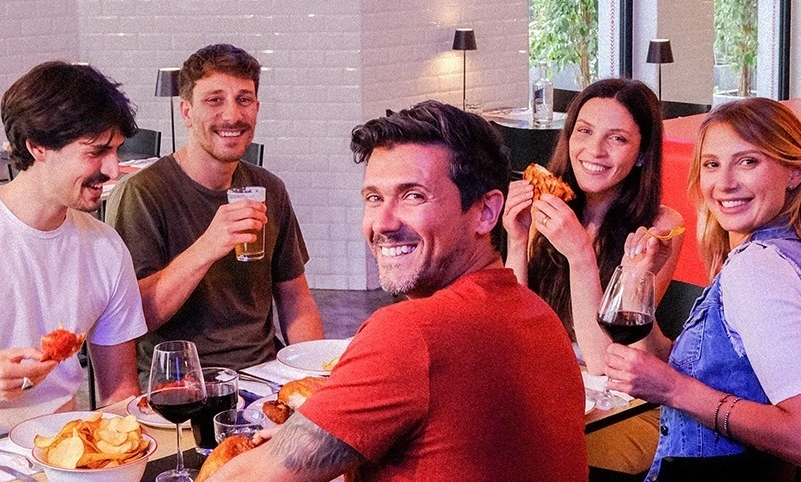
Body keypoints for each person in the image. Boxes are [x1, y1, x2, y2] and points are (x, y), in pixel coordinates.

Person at [207, 101, 588, 481]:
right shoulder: (539, 315)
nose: (383, 223)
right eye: (374, 198)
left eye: (413, 196)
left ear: (486, 212)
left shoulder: (410, 331)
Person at [604, 97, 801, 480]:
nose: (724, 183)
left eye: (748, 161)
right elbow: (710, 368)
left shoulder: (758, 268)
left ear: (793, 172)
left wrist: (674, 390)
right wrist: (639, 282)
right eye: (712, 164)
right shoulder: (779, 251)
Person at [105, 44, 323, 381]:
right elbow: (131, 319)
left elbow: (296, 298)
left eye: (244, 99)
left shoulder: (269, 187)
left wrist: (313, 375)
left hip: (265, 374)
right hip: (182, 383)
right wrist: (208, 246)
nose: (233, 116)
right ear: (187, 111)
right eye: (214, 100)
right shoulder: (142, 194)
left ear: (257, 108)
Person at [502, 78, 684, 475]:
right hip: (548, 390)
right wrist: (516, 242)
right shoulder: (548, 211)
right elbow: (514, 328)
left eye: (616, 138)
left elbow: (605, 361)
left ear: (640, 154)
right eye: (583, 132)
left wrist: (580, 255)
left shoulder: (658, 230)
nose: (594, 151)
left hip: (624, 409)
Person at [0, 61, 146, 437]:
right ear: (38, 146)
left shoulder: (106, 248)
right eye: (96, 152)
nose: (113, 169)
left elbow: (119, 391)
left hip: (62, 446)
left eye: (117, 151)